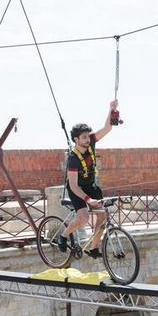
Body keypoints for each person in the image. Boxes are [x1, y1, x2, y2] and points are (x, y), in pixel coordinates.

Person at [58, 100, 119, 258]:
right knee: (83, 217)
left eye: (87, 137)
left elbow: (108, 128)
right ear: (76, 140)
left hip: (91, 186)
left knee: (102, 216)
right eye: (84, 138)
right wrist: (88, 200)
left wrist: (111, 110)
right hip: (76, 190)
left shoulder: (91, 142)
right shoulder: (73, 159)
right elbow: (73, 184)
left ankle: (93, 248)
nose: (87, 140)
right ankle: (64, 235)